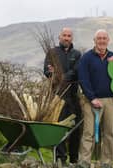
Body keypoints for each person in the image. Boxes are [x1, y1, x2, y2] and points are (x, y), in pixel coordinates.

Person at [77, 29, 113, 168]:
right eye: (99, 38)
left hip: (111, 100)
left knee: (109, 133)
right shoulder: (86, 58)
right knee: (89, 133)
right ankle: (84, 162)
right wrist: (92, 98)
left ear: (108, 40)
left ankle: (107, 163)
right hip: (90, 101)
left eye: (104, 38)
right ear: (94, 40)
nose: (102, 40)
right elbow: (83, 79)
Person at [44, 27, 82, 165]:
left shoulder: (77, 54)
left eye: (69, 36)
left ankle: (74, 158)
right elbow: (47, 72)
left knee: (75, 127)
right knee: (58, 127)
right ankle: (60, 158)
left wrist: (61, 76)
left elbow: (76, 72)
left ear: (72, 38)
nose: (66, 38)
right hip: (57, 96)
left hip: (72, 95)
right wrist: (54, 75)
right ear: (59, 37)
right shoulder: (52, 52)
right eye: (64, 35)